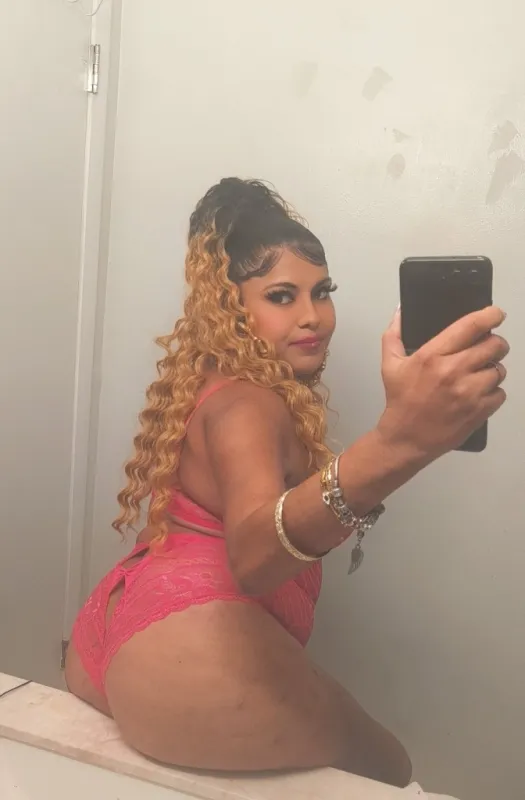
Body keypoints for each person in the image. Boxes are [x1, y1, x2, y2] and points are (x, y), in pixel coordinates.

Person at [66, 178, 508, 787]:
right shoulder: (248, 405)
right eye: (281, 296)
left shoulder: (220, 382)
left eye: (322, 292)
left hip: (124, 622)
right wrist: (399, 443)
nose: (312, 317)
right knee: (391, 768)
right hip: (190, 648)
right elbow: (254, 556)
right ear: (229, 308)